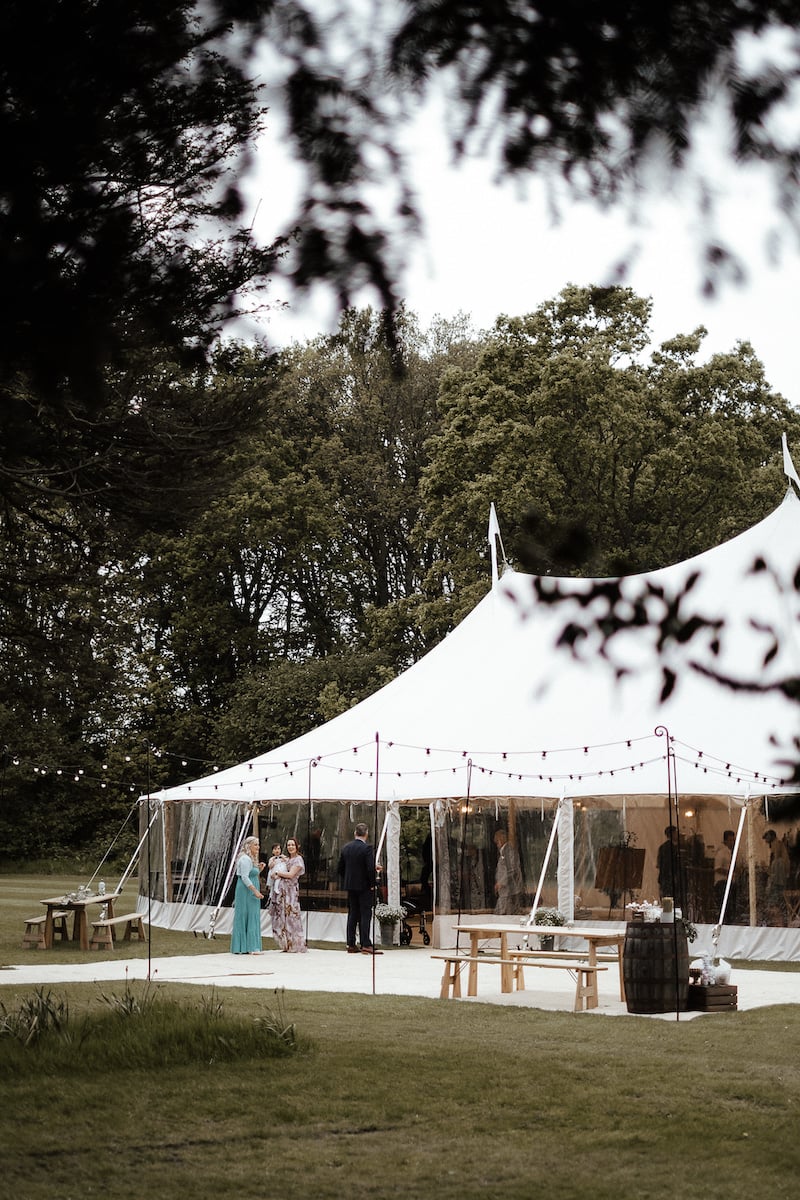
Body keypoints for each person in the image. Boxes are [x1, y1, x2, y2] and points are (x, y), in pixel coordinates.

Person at [338, 822, 383, 954]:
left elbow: (341, 868)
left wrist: (348, 879)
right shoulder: (367, 848)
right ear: (366, 834)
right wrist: (373, 884)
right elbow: (369, 869)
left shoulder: (346, 848)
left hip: (351, 885)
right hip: (364, 886)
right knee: (365, 914)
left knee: (353, 913)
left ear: (355, 833)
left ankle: (351, 943)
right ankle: (365, 943)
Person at [270, 836, 307, 952]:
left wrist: (278, 873)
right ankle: (286, 943)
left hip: (291, 892)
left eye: (292, 845)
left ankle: (296, 944)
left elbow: (291, 874)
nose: (290, 847)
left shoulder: (298, 860)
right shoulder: (287, 860)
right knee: (283, 917)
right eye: (288, 845)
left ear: (297, 846)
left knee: (292, 916)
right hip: (282, 891)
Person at [230, 835, 264, 955]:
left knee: (251, 914)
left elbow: (250, 874)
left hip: (249, 889)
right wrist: (255, 891)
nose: (258, 847)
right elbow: (244, 877)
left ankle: (248, 946)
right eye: (255, 845)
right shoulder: (245, 859)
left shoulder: (250, 859)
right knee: (247, 914)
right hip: (246, 891)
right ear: (249, 846)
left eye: (258, 845)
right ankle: (250, 946)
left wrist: (259, 869)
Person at [493, 828, 524, 914]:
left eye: (497, 841)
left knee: (503, 912)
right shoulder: (505, 851)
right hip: (506, 890)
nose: (497, 844)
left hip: (508, 890)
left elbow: (512, 869)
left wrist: (501, 883)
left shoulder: (508, 851)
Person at [763, 829, 790, 926]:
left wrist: (770, 873)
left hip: (779, 874)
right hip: (779, 873)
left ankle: (777, 919)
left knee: (775, 895)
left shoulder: (776, 844)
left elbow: (776, 859)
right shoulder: (775, 844)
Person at [713, 829, 737, 917]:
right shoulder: (721, 852)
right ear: (725, 841)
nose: (732, 842)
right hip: (722, 882)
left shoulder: (730, 852)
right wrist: (730, 873)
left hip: (730, 882)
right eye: (730, 840)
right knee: (725, 907)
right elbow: (717, 868)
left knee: (731, 906)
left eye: (733, 840)